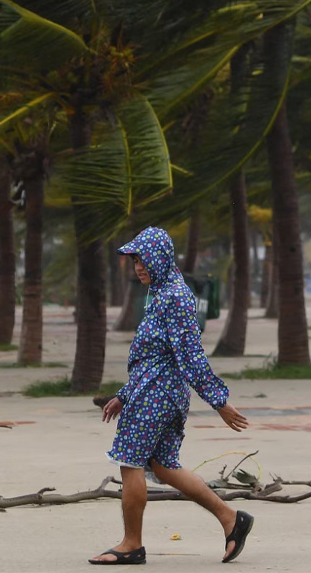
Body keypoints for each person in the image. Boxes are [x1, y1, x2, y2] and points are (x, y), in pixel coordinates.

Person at [90, 227, 254, 566]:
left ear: (161, 258)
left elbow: (190, 355)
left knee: (130, 462)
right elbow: (153, 354)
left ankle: (131, 544)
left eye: (144, 259)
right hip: (155, 390)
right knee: (164, 467)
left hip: (157, 395)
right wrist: (124, 394)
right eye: (135, 260)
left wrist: (219, 400)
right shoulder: (161, 292)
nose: (139, 266)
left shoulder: (174, 297)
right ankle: (231, 519)